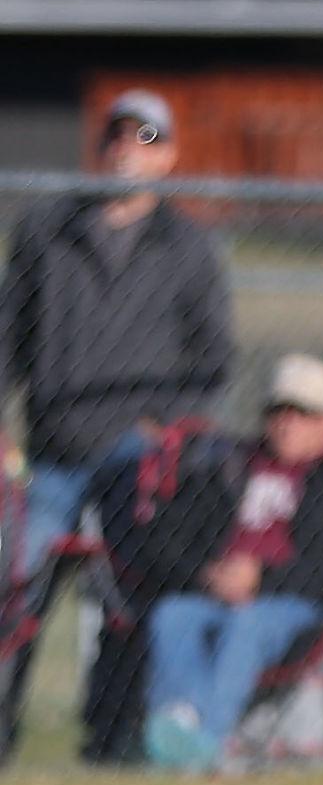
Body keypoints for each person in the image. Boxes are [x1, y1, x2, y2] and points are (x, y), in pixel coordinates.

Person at [0, 88, 234, 577]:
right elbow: (10, 333)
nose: (128, 149)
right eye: (117, 136)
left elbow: (213, 356)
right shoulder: (47, 231)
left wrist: (167, 423)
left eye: (146, 138)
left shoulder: (187, 246)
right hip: (51, 451)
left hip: (136, 458)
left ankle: (120, 653)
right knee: (17, 580)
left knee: (132, 591)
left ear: (168, 156)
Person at [143, 355, 323, 772]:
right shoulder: (232, 466)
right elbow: (168, 537)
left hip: (297, 604)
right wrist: (209, 574)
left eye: (303, 414)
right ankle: (178, 725)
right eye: (278, 411)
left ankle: (207, 740)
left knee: (248, 623)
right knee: (172, 616)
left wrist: (263, 578)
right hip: (218, 595)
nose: (287, 423)